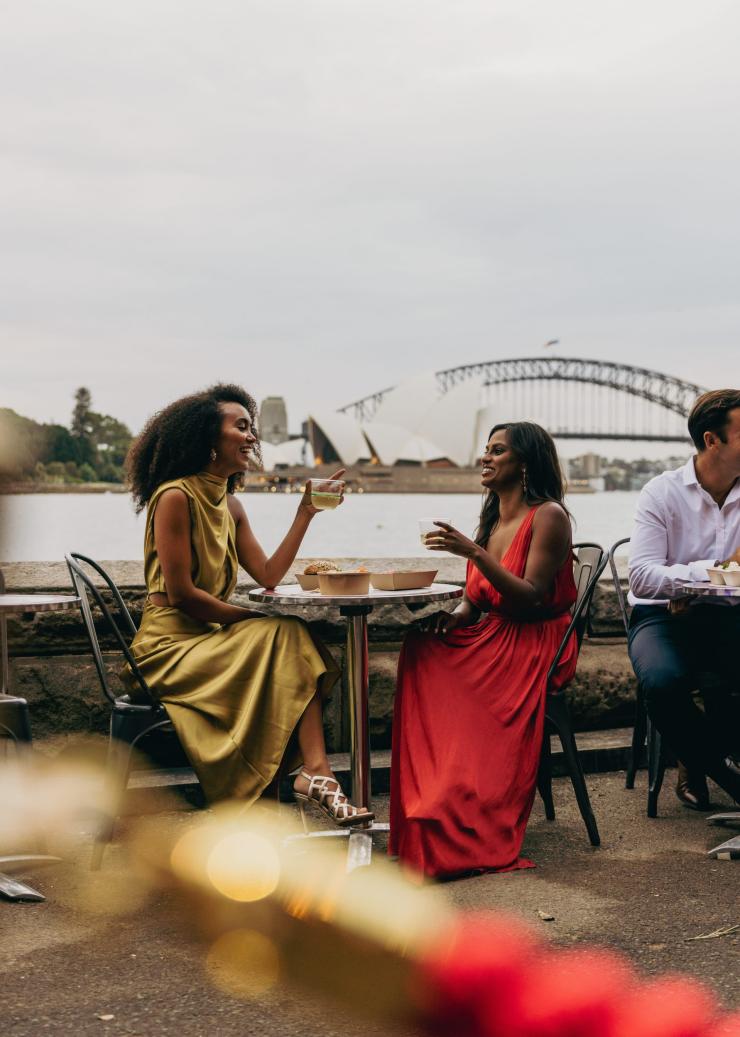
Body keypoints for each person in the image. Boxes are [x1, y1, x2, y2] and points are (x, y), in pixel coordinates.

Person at [123, 383, 372, 825]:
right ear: (207, 440)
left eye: (251, 426)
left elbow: (270, 575)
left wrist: (304, 513)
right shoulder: (175, 496)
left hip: (208, 640)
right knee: (287, 635)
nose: (252, 436)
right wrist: (253, 616)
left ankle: (314, 774)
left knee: (290, 638)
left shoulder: (231, 504)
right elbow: (181, 596)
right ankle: (313, 775)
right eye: (241, 427)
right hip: (167, 649)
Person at [389, 421, 579, 879]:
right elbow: (475, 601)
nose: (485, 458)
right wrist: (452, 617)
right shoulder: (493, 517)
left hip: (533, 641)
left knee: (450, 680)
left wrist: (474, 553)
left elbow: (531, 595)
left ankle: (461, 809)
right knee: (420, 647)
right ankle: (434, 797)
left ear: (525, 462)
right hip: (494, 634)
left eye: (498, 451)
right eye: (486, 449)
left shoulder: (548, 515)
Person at [627, 389, 740, 808]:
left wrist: (698, 585)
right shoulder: (662, 492)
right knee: (662, 682)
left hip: (728, 615)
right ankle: (715, 766)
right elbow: (641, 577)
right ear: (713, 440)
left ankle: (699, 756)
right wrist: (704, 580)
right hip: (662, 619)